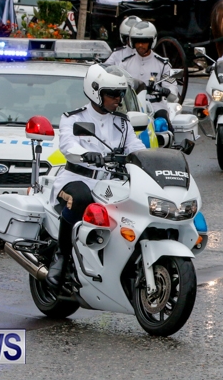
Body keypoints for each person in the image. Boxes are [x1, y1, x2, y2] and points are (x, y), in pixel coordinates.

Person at [46, 64, 146, 288]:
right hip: (77, 179)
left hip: (110, 183)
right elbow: (68, 146)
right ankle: (62, 256)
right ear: (95, 92)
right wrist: (85, 154)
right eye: (112, 94)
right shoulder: (72, 118)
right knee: (81, 198)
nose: (117, 99)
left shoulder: (122, 123)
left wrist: (148, 158)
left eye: (121, 94)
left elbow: (135, 147)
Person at [117, 21, 178, 129]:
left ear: (151, 42)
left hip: (155, 105)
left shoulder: (163, 64)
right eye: (137, 41)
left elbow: (173, 92)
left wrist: (166, 91)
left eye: (144, 41)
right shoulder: (124, 63)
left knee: (164, 124)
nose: (140, 45)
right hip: (131, 106)